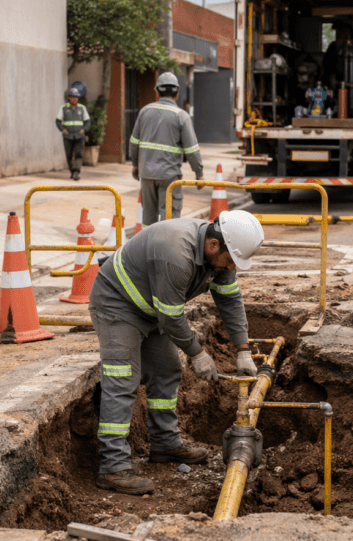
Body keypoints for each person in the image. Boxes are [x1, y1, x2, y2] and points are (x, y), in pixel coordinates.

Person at [88, 211, 265, 494]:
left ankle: (164, 444)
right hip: (117, 304)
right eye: (230, 261)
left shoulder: (221, 256)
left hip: (152, 308)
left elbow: (230, 300)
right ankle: (113, 468)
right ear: (213, 245)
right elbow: (171, 318)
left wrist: (243, 349)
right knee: (122, 379)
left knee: (166, 369)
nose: (231, 267)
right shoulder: (175, 254)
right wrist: (197, 353)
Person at [130, 73, 204, 226]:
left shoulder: (144, 112)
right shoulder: (181, 116)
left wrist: (136, 165)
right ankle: (166, 249)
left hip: (147, 174)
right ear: (177, 93)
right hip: (169, 177)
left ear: (157, 92)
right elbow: (191, 150)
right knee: (169, 220)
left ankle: (148, 248)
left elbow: (134, 143)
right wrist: (199, 173)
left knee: (148, 220)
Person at [56, 87, 90, 181]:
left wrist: (84, 129)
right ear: (69, 98)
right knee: (69, 155)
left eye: (76, 97)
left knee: (79, 154)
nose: (74, 99)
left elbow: (87, 121)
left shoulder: (82, 108)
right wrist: (62, 129)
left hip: (79, 136)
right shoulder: (63, 108)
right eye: (72, 97)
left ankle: (76, 172)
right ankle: (72, 171)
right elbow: (58, 121)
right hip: (68, 136)